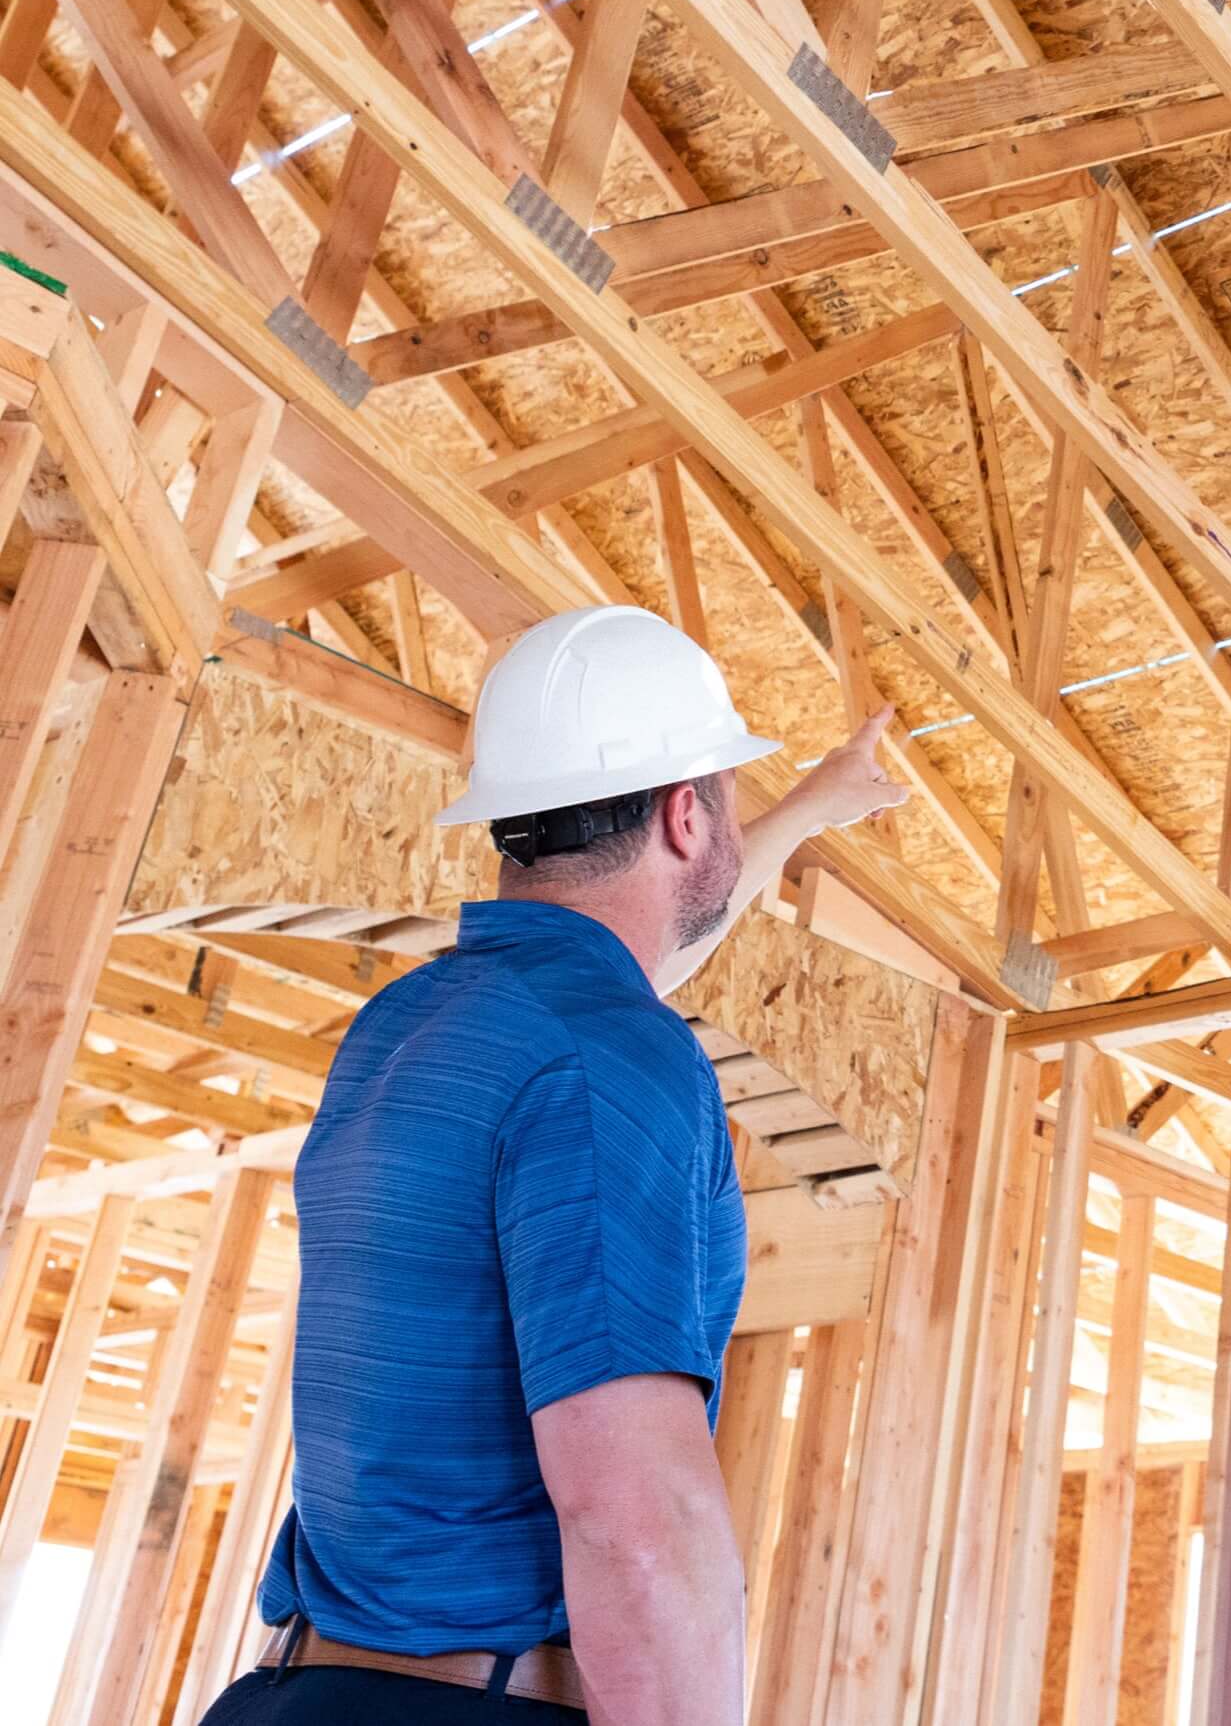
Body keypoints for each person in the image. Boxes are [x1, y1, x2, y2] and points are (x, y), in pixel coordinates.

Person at [199, 606, 909, 1725]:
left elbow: (627, 970)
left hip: (299, 1691)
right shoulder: (609, 1054)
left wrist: (812, 806)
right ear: (685, 813)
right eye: (721, 793)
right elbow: (639, 1526)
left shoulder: (415, 1025)